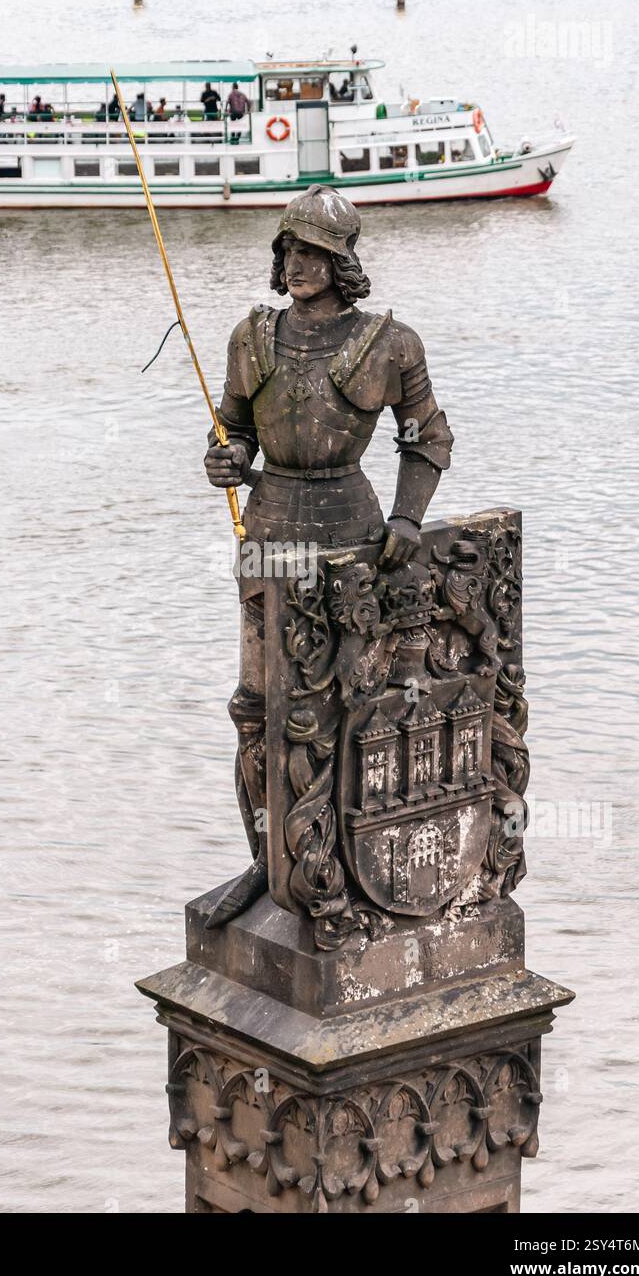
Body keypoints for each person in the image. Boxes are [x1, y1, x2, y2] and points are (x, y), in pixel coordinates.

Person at [203, 184, 453, 930]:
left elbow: (428, 439)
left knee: (350, 706)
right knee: (257, 708)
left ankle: (344, 856)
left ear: (342, 264)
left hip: (352, 528)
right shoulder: (249, 337)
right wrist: (225, 459)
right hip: (270, 527)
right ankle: (267, 861)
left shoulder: (390, 343)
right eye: (290, 250)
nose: (299, 264)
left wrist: (408, 518)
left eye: (315, 253)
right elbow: (233, 428)